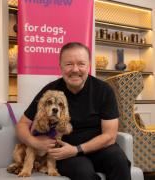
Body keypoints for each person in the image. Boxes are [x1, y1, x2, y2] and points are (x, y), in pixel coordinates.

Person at [16, 42, 131, 180]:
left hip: (100, 148)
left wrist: (77, 149)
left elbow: (110, 136)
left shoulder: (104, 90)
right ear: (61, 67)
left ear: (88, 66)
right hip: (65, 151)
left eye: (81, 64)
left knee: (120, 162)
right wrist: (34, 142)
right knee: (84, 174)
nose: (75, 69)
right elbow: (22, 124)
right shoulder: (50, 92)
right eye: (69, 64)